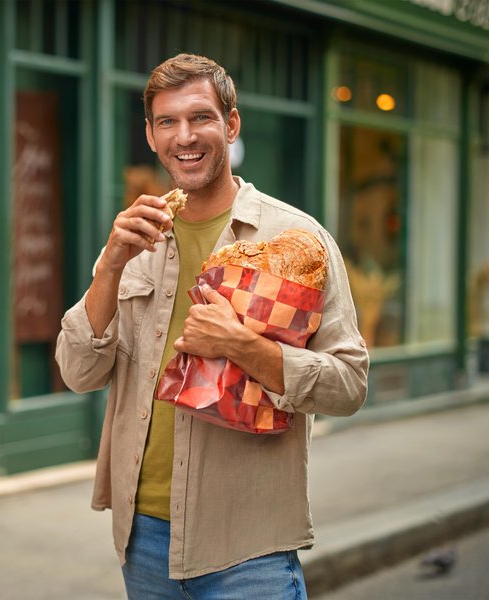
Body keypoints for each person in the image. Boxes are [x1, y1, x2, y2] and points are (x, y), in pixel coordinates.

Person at [55, 53, 369, 599]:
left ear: (232, 124)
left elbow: (349, 386)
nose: (185, 136)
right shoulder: (135, 241)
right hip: (142, 538)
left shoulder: (298, 239)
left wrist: (243, 345)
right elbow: (79, 373)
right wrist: (108, 266)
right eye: (167, 122)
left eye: (200, 117)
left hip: (249, 546)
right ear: (150, 136)